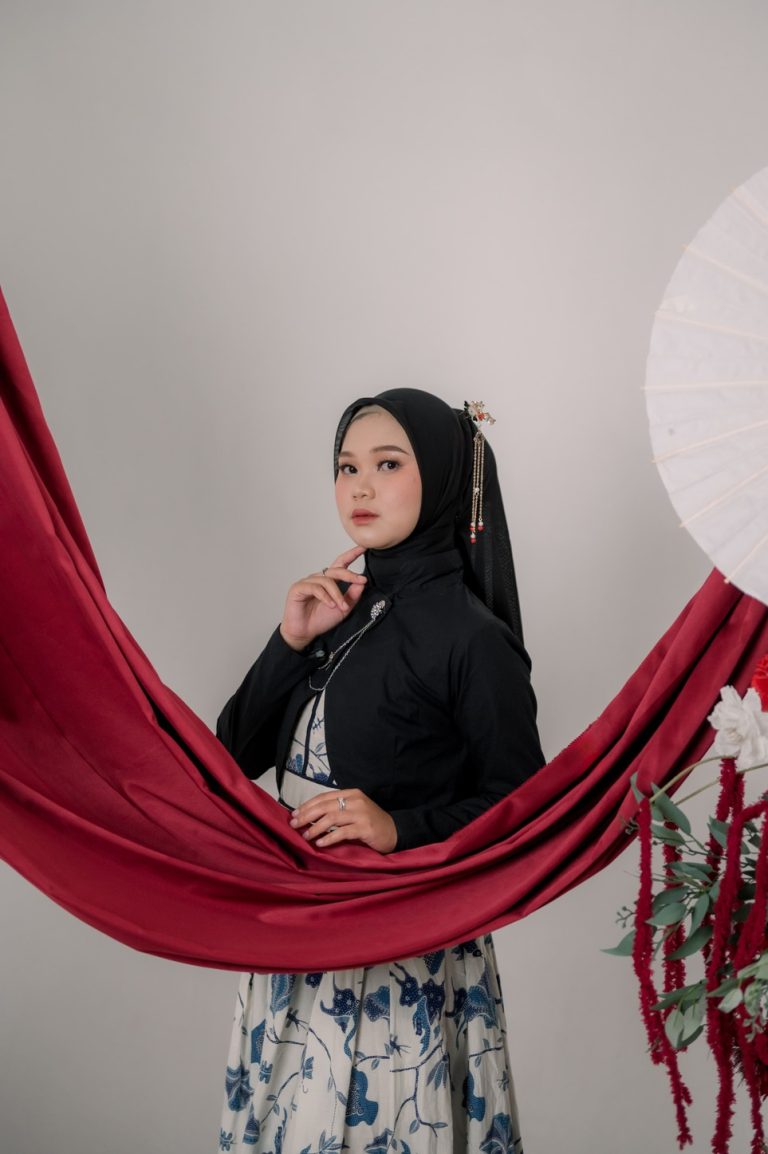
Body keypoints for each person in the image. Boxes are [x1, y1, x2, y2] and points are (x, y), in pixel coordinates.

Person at [215, 388, 545, 1153]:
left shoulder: (472, 638)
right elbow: (229, 757)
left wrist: (400, 828)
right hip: (299, 941)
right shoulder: (337, 607)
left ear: (443, 474)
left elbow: (525, 810)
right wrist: (290, 641)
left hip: (404, 964)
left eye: (388, 464)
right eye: (347, 466)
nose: (360, 486)